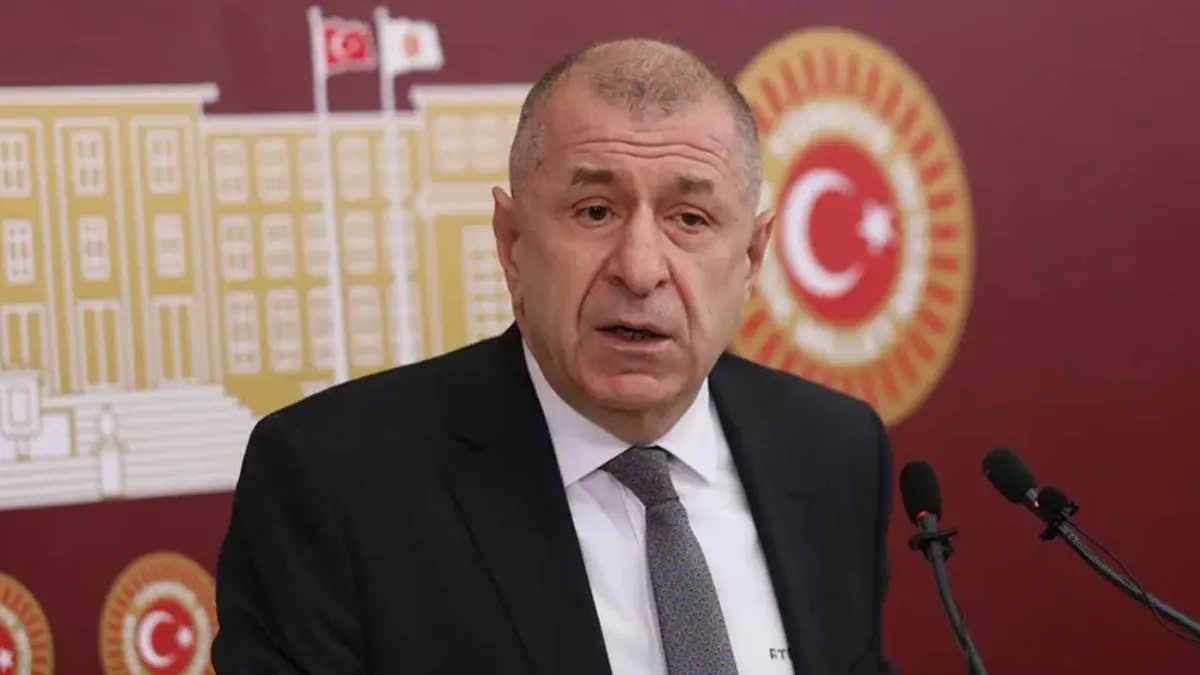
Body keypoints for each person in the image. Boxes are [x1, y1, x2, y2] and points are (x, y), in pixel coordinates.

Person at [211, 37, 895, 675]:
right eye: (595, 211)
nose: (640, 269)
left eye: (689, 219)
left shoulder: (835, 451)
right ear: (511, 243)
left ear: (751, 256)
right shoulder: (334, 483)